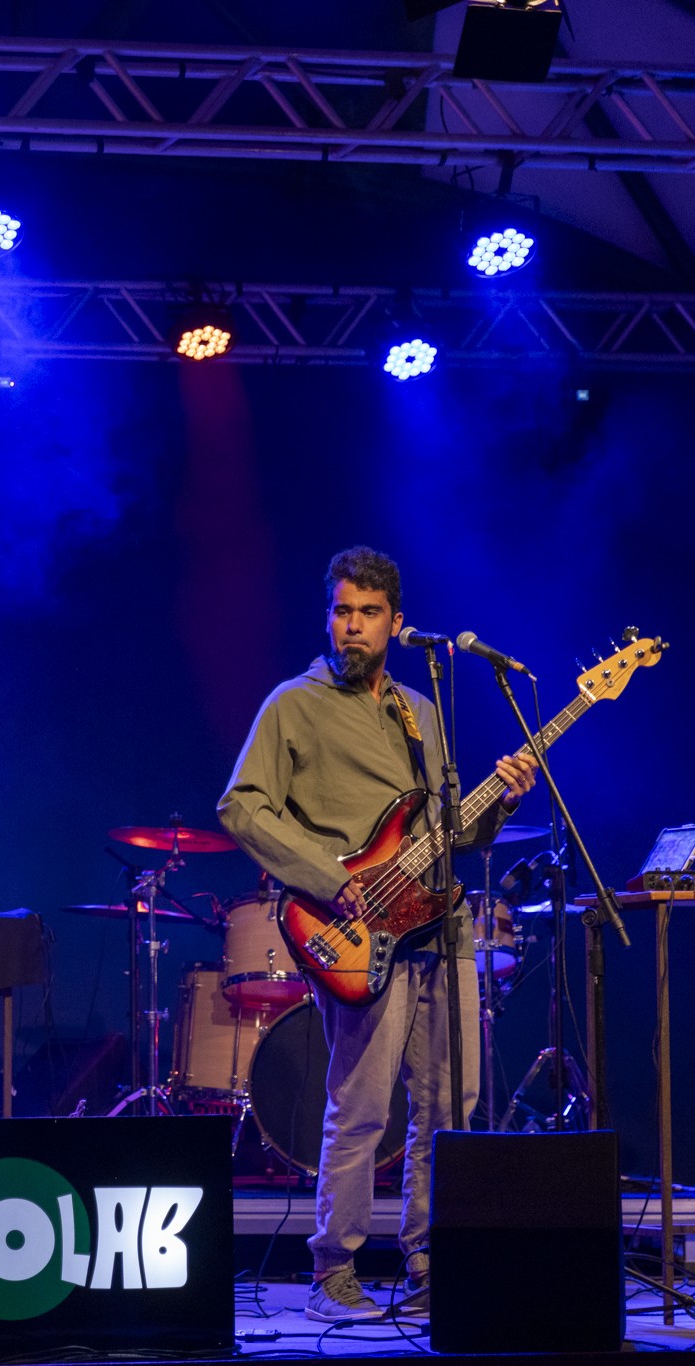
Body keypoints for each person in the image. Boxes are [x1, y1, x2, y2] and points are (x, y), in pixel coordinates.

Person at [217, 546, 538, 1323]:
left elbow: (449, 832)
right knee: (361, 1105)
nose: (352, 625)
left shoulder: (419, 709)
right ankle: (333, 1268)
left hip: (441, 930)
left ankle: (430, 1261)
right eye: (342, 611)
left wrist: (503, 802)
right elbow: (241, 807)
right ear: (328, 617)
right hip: (355, 931)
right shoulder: (293, 704)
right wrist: (330, 879)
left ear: (397, 624)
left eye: (367, 613)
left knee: (452, 1105)